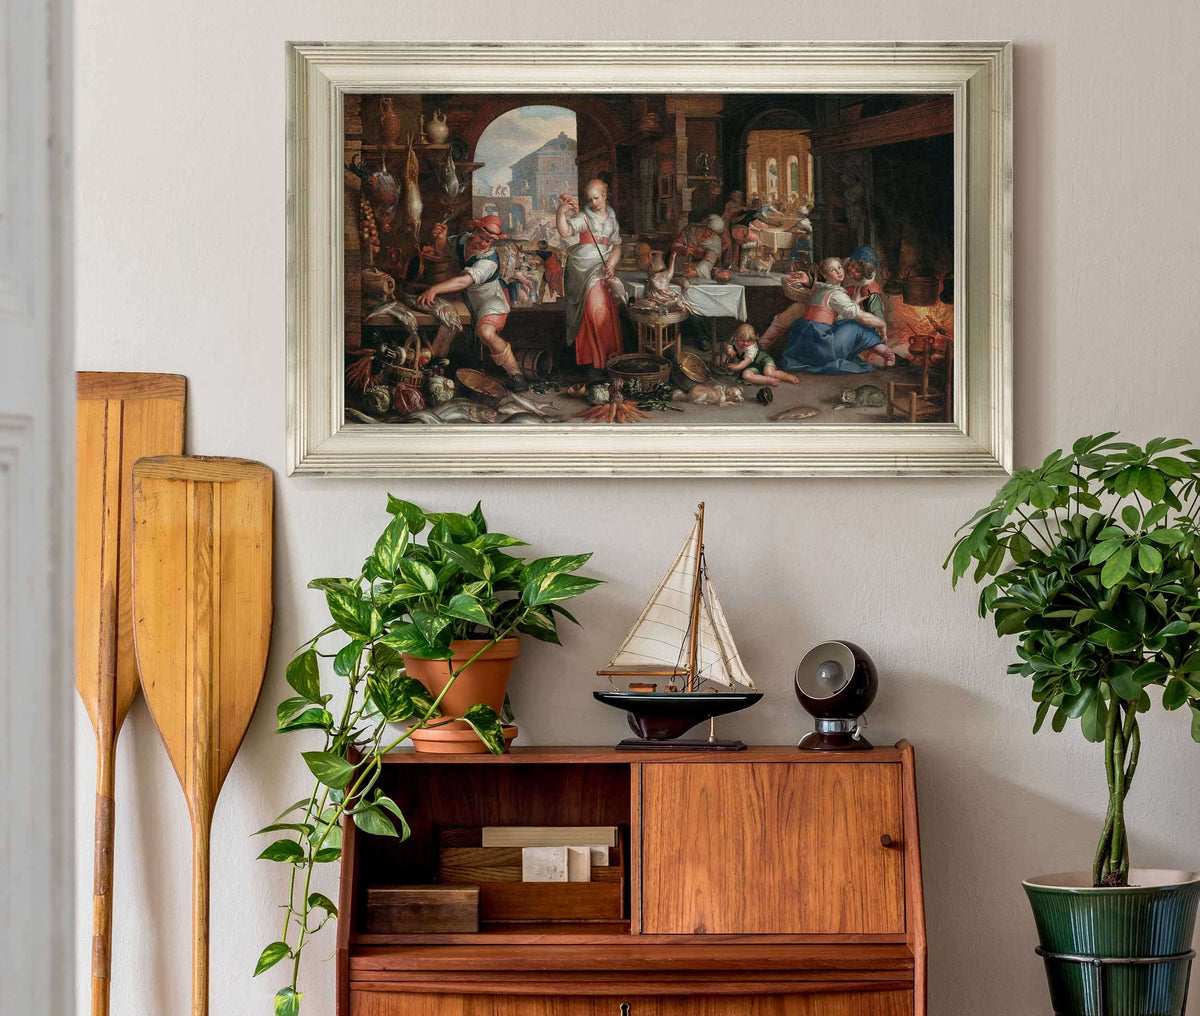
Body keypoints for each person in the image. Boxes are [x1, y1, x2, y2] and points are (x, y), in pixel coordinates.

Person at [416, 214, 529, 391]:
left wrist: (434, 289)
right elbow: (442, 251)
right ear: (474, 231)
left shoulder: (488, 262)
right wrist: (441, 238)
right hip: (469, 298)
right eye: (482, 238)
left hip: (491, 302)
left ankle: (516, 375)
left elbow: (463, 281)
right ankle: (435, 373)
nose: (484, 243)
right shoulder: (463, 240)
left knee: (485, 332)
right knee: (448, 322)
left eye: (489, 241)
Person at [777, 256, 894, 375]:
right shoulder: (836, 295)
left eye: (839, 267)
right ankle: (888, 356)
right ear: (826, 275)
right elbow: (863, 317)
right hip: (822, 346)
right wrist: (882, 324)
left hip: (807, 346)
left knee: (845, 324)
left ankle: (885, 354)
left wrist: (854, 302)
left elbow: (837, 318)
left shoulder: (819, 290)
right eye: (833, 270)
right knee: (857, 327)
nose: (839, 271)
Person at [555, 178, 624, 374]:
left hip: (601, 267)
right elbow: (565, 231)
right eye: (590, 199)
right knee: (594, 310)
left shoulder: (612, 218)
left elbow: (617, 245)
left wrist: (611, 264)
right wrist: (561, 212)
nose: (593, 202)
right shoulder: (584, 217)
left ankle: (605, 360)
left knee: (603, 312)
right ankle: (593, 362)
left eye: (597, 198)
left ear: (605, 195)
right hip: (582, 266)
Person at [724, 323, 800, 387]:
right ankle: (768, 380)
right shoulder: (734, 340)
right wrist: (730, 349)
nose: (745, 343)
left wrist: (737, 367)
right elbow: (728, 344)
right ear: (737, 337)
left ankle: (787, 377)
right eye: (742, 341)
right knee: (746, 376)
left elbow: (746, 362)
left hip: (763, 361)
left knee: (769, 373)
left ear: (753, 340)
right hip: (752, 366)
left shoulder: (752, 349)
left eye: (748, 341)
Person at [670, 215, 726, 279]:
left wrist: (697, 272)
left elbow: (709, 261)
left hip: (698, 272)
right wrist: (684, 249)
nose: (711, 236)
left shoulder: (716, 242)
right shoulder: (690, 231)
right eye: (710, 232)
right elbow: (675, 244)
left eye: (714, 234)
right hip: (678, 269)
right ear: (705, 227)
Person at [844, 244, 886, 319]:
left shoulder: (870, 291)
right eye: (852, 265)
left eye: (857, 270)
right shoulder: (841, 268)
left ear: (864, 275)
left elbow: (878, 319)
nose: (852, 270)